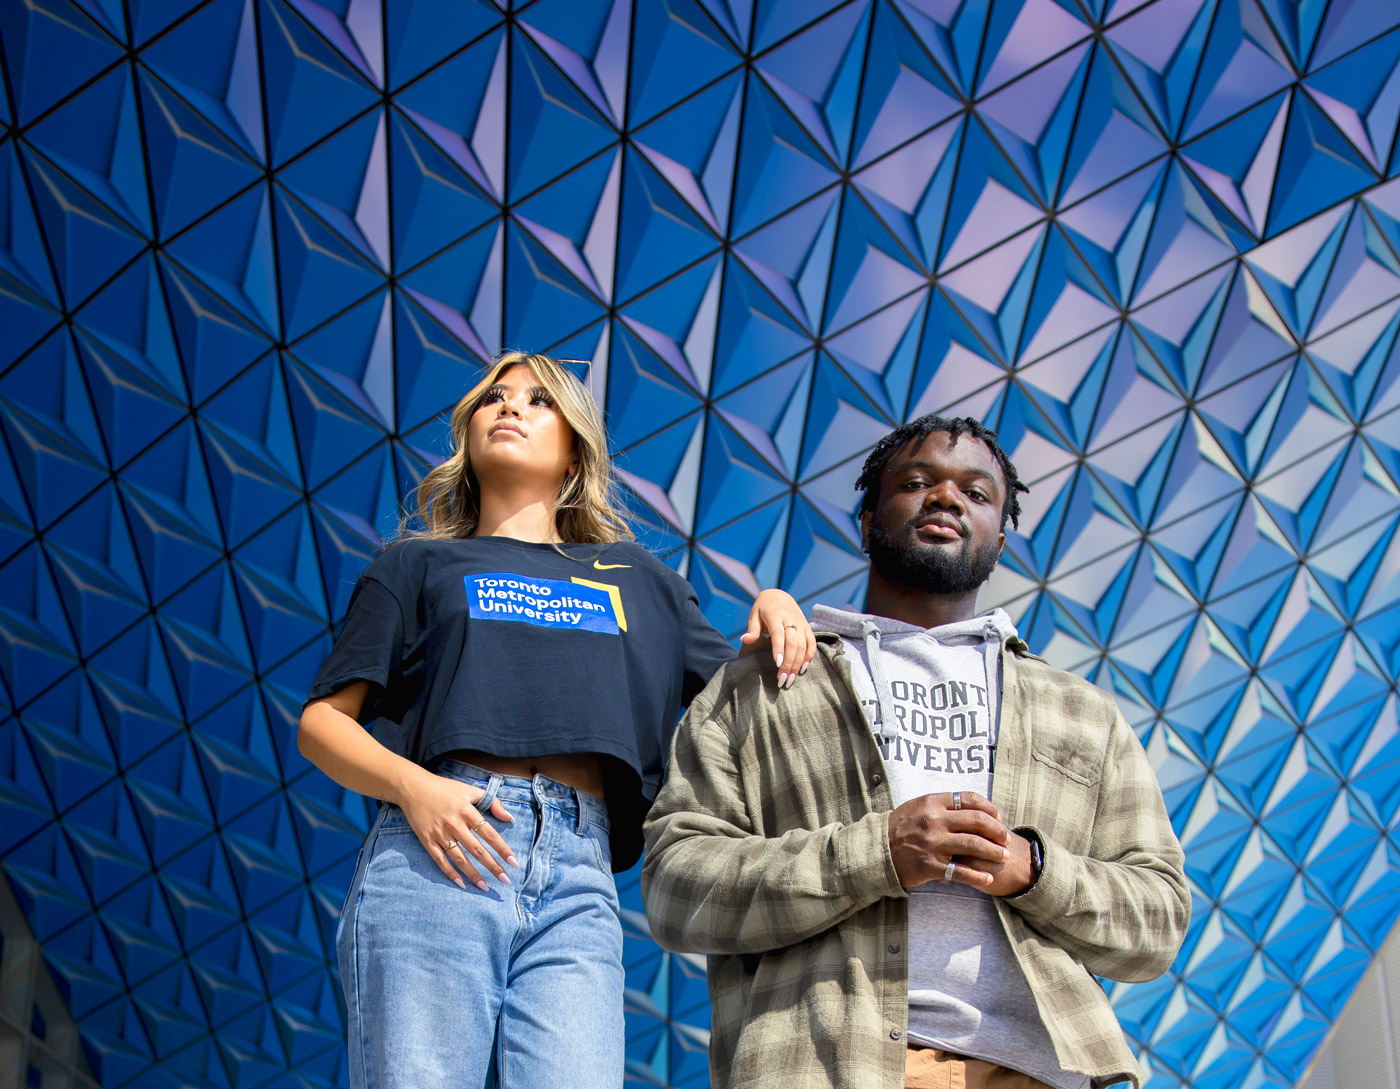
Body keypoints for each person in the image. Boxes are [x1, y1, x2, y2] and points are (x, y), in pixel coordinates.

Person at [298, 351, 815, 1089]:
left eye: (539, 401)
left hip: (580, 869)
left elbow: (744, 687)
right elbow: (323, 723)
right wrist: (415, 789)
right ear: (468, 433)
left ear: (574, 447)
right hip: (443, 845)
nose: (510, 408)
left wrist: (774, 603)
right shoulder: (416, 564)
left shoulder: (637, 577)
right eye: (493, 398)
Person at [641, 414, 1189, 1089]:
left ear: (1002, 536)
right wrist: (880, 852)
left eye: (977, 493)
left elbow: (1159, 916)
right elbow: (675, 886)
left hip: (1044, 1070)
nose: (946, 498)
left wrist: (1033, 866)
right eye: (917, 481)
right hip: (828, 1063)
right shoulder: (765, 685)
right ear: (868, 519)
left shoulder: (1083, 712)